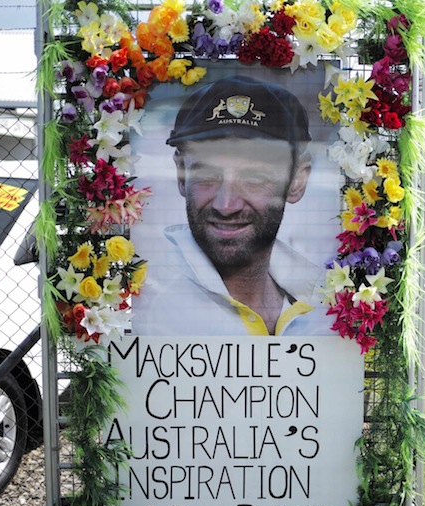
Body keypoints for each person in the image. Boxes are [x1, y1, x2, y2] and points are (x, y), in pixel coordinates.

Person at [133, 75, 333, 336]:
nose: (226, 205)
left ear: (297, 181)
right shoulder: (142, 304)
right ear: (181, 173)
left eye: (254, 178)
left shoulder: (329, 303)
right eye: (207, 177)